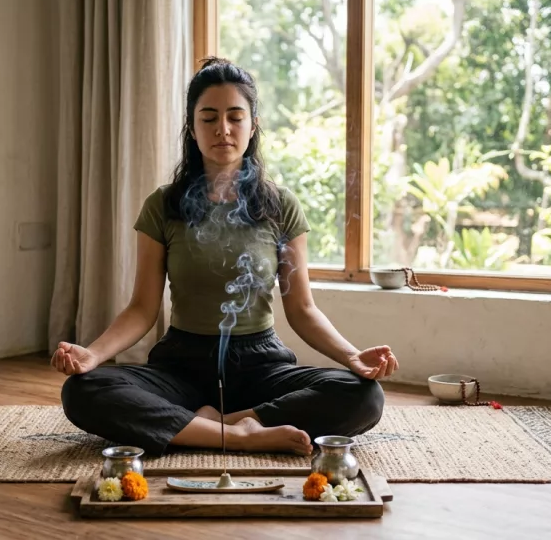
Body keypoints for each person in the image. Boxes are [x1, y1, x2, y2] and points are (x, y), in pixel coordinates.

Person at [52, 57, 396, 457]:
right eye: (209, 118)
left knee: (363, 395)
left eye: (235, 117)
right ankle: (240, 434)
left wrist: (353, 356)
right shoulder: (162, 206)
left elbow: (302, 309)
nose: (223, 129)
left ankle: (204, 425)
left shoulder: (281, 206)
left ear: (253, 126)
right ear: (192, 128)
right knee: (84, 390)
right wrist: (93, 354)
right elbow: (142, 309)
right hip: (181, 365)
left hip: (260, 364)